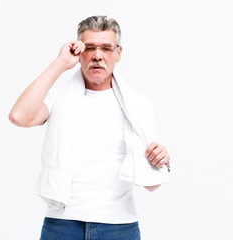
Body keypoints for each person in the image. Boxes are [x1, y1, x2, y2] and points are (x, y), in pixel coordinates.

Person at [9, 15, 170, 240]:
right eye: (90, 48)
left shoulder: (137, 106)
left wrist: (159, 159)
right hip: (62, 225)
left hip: (119, 227)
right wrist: (59, 64)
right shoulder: (59, 97)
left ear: (118, 53)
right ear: (79, 52)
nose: (97, 56)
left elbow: (151, 184)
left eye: (106, 48)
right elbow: (19, 116)